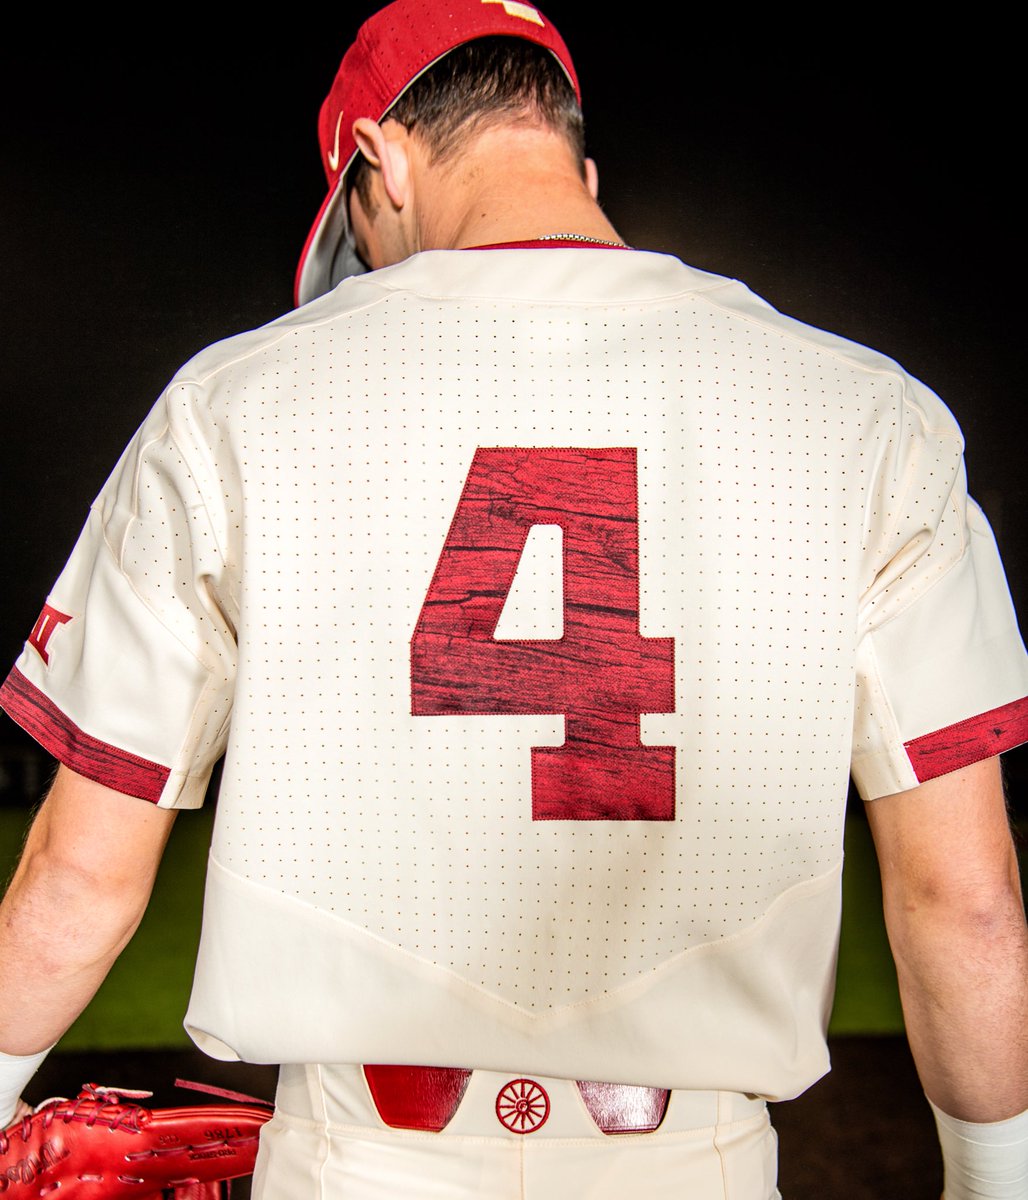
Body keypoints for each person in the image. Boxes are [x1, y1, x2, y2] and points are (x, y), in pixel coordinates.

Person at [1, 1, 1026, 1196]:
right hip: (694, 1163)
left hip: (356, 1160)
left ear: (378, 160)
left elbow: (79, 873)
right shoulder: (870, 416)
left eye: (362, 238)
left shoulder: (232, 401)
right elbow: (964, 900)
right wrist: (990, 1178)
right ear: (577, 166)